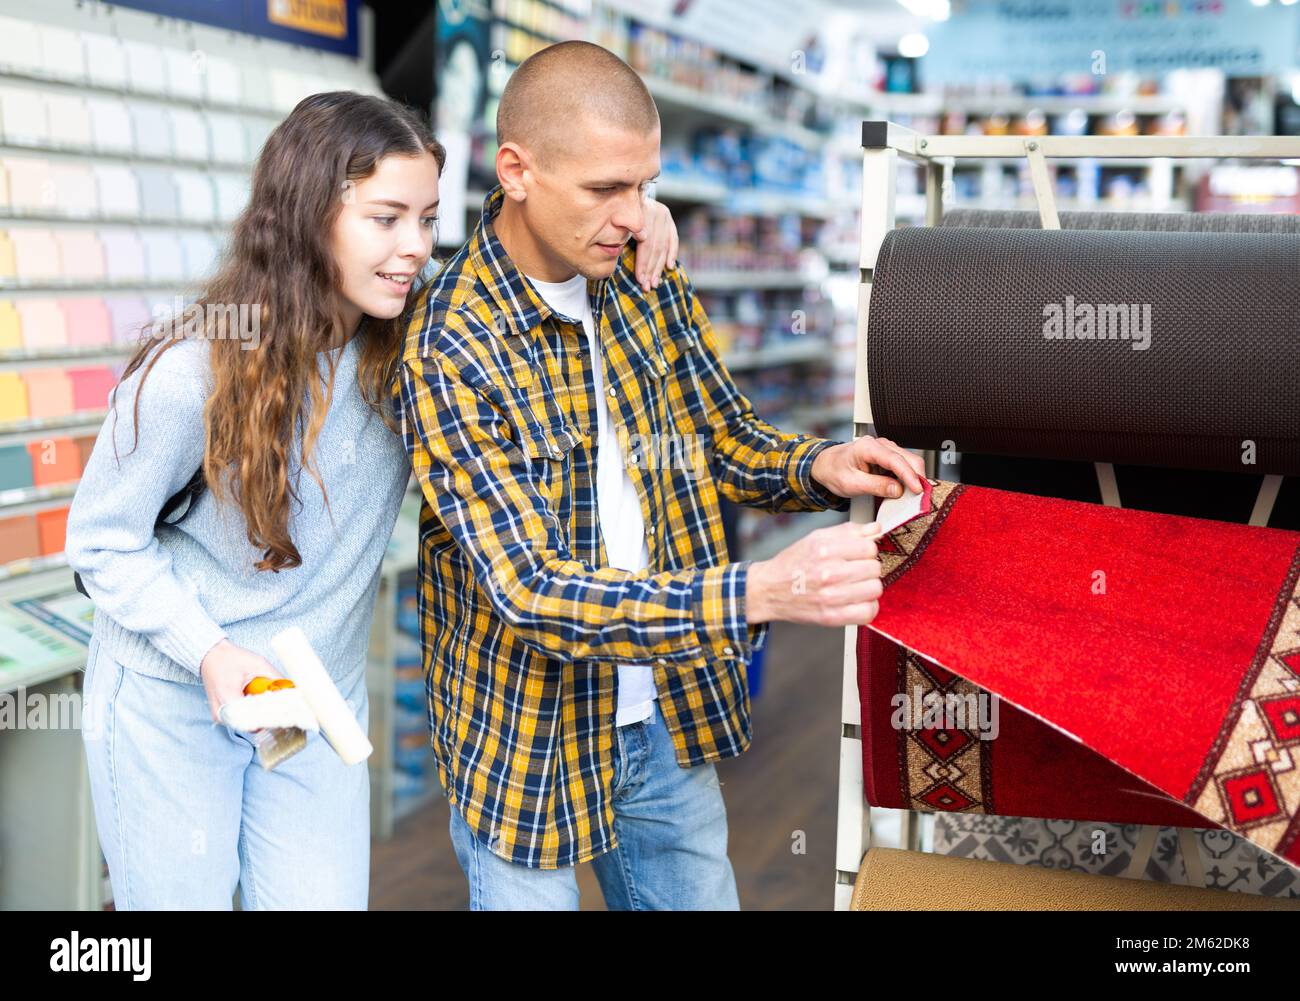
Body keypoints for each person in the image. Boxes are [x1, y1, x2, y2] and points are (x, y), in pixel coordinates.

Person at [64, 89, 682, 910]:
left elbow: (525, 246)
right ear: (309, 214)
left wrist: (638, 210)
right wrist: (207, 651)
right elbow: (101, 542)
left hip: (311, 699)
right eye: (385, 218)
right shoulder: (195, 368)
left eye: (427, 221)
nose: (414, 249)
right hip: (172, 692)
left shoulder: (417, 345)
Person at [396, 41, 925, 911]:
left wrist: (820, 462)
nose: (632, 212)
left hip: (664, 713)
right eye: (604, 188)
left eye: (644, 184)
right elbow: (530, 590)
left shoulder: (644, 271)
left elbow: (720, 436)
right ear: (516, 171)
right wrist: (760, 591)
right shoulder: (454, 341)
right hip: (530, 738)